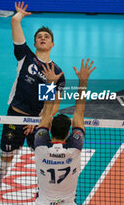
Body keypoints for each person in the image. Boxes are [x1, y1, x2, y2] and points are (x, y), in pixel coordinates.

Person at [0, 1, 65, 194]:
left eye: (46, 36)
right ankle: (0, 174)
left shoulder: (57, 73)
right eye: (39, 36)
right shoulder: (25, 56)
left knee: (43, 158)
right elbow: (16, 28)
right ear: (34, 43)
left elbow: (54, 105)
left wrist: (39, 121)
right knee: (6, 156)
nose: (42, 38)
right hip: (14, 115)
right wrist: (18, 17)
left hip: (38, 122)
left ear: (52, 44)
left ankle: (43, 191)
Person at [34, 58, 95, 205]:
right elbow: (79, 114)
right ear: (68, 133)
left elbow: (46, 115)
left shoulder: (41, 145)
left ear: (50, 129)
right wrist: (83, 82)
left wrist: (49, 84)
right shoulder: (74, 148)